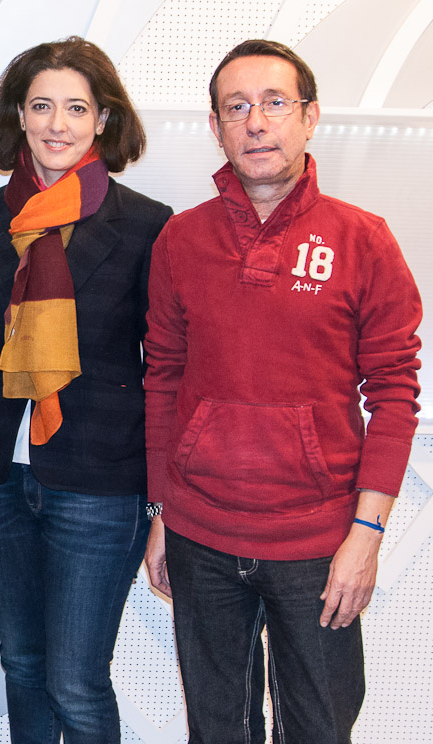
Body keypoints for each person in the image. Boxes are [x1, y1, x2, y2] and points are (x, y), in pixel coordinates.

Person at [143, 39, 422, 743]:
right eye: (237, 108)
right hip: (201, 537)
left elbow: (394, 393)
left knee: (320, 729)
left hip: (319, 545)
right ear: (216, 127)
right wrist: (161, 511)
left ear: (310, 116)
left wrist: (367, 534)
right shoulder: (180, 240)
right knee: (217, 731)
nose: (257, 122)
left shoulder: (364, 240)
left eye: (274, 103)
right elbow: (164, 379)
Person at [0, 37, 172, 743]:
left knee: (76, 679)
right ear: (20, 116)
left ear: (103, 119)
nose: (57, 124)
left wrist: (164, 501)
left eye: (76, 107)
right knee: (21, 661)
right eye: (41, 106)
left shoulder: (147, 224)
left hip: (101, 485)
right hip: (0, 479)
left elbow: (166, 369)